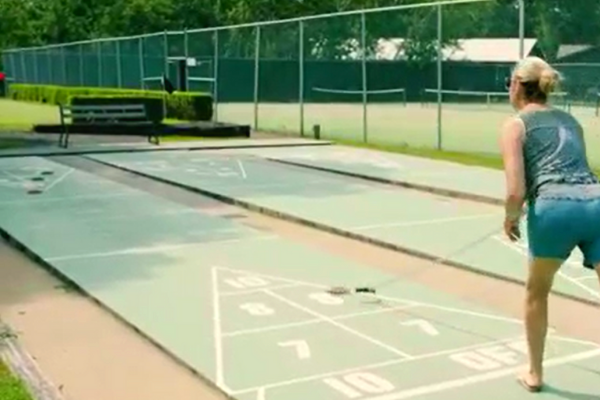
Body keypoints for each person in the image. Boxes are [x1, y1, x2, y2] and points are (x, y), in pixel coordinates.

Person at [500, 56, 600, 392]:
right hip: (596, 203)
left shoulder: (515, 125)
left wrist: (511, 218)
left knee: (537, 292)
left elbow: (515, 190)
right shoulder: (572, 121)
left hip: (554, 208)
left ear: (517, 84)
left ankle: (535, 373)